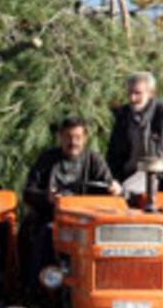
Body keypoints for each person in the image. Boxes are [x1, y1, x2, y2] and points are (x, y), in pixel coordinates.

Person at [22, 117, 121, 293]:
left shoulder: (94, 160)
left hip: (87, 222)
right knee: (46, 234)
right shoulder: (47, 159)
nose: (73, 142)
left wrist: (114, 188)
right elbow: (29, 192)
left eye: (77, 137)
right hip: (53, 218)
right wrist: (47, 197)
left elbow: (107, 186)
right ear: (60, 137)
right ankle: (40, 287)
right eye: (68, 137)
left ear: (85, 138)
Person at [106, 71, 163, 199]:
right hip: (128, 181)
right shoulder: (122, 117)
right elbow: (113, 156)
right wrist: (114, 180)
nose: (132, 98)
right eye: (129, 93)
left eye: (137, 93)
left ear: (151, 93)